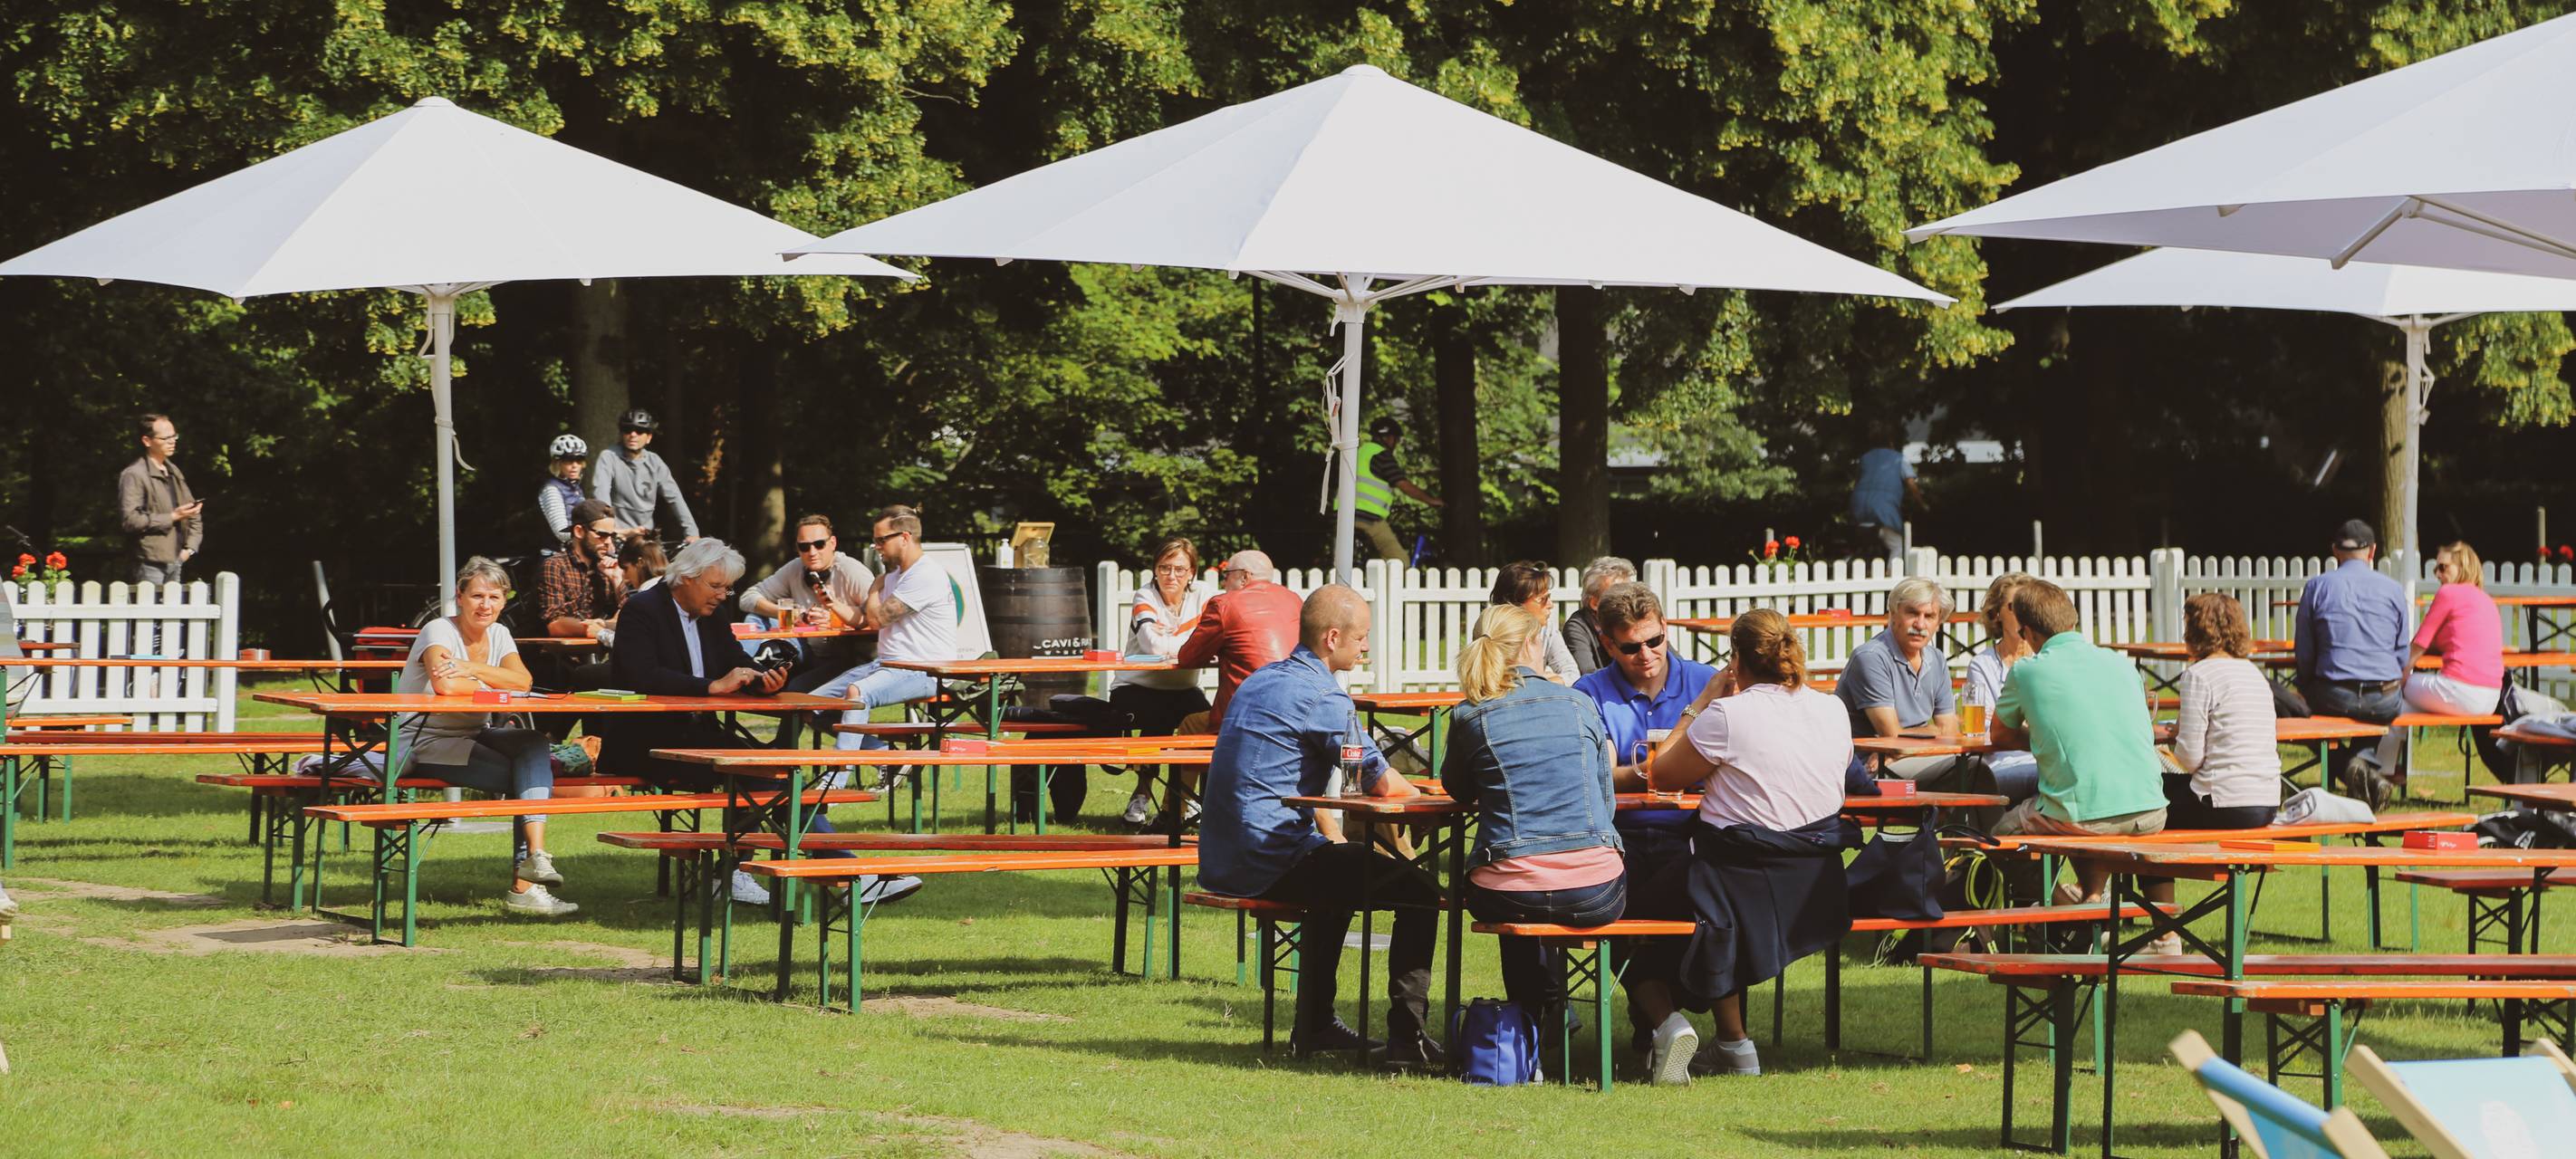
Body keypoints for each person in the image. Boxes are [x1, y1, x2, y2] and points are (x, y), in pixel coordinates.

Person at [1198, 584, 1442, 1064]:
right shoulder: (1322, 696)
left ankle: (1315, 1025)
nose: (1366, 646)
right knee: (1420, 893)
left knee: (1341, 873)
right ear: (1333, 638)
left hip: (1224, 856)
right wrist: (1427, 798)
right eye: (1361, 636)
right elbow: (1381, 784)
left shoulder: (1261, 679)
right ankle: (1406, 1039)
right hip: (1269, 856)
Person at [604, 539, 920, 908]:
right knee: (769, 779)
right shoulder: (642, 609)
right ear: (686, 578)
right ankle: (845, 876)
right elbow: (641, 675)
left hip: (695, 735)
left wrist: (762, 679)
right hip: (645, 742)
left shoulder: (709, 612)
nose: (722, 596)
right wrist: (710, 687)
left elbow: (735, 658)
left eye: (727, 588)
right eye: (716, 586)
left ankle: (747, 873)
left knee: (773, 775)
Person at [1623, 608, 1859, 1084]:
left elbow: (1660, 773)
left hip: (1738, 875)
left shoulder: (1727, 715)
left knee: (1626, 920)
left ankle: (1672, 1024)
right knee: (1704, 915)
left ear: (1736, 659)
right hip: (1814, 881)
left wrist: (1701, 703)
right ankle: (1732, 1045)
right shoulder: (1832, 707)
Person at [1447, 604, 1625, 1038]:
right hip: (1597, 889)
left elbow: (1458, 789)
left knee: (1516, 894)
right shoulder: (1580, 704)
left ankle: (1529, 1029)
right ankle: (1554, 1010)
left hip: (1508, 890)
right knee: (1541, 888)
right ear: (1532, 642)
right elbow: (1606, 804)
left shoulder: (1470, 714)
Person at [391, 557, 575, 916]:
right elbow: (446, 686)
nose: (485, 605)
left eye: (494, 597)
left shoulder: (500, 633)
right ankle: (525, 887)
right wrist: (494, 681)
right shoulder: (438, 630)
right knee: (528, 781)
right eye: (477, 596)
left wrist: (470, 669)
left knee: (534, 743)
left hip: (475, 731)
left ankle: (536, 858)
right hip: (424, 738)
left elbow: (523, 681)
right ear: (459, 597)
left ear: (504, 601)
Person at [1990, 580, 2167, 905]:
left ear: (2027, 633)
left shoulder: (2028, 671)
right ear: (2072, 620)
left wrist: (2042, 740)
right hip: (2152, 809)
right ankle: (2093, 900)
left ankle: (2066, 909)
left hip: (2084, 815)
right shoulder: (2120, 663)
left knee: (2001, 835)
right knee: (2075, 805)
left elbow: (1999, 735)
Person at [820, 506, 961, 781]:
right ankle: (887, 756)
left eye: (881, 540)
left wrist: (875, 587)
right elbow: (863, 619)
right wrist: (832, 604)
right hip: (886, 665)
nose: (876, 546)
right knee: (811, 707)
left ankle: (834, 784)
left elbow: (876, 620)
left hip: (925, 669)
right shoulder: (894, 575)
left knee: (858, 692)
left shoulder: (925, 574)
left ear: (905, 537)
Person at [2367, 541, 2504, 795]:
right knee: (2399, 708)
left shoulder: (2449, 593)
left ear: (2463, 565)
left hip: (2461, 691)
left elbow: (2419, 645)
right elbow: (2443, 641)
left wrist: (2397, 678)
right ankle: (2383, 772)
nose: (2438, 575)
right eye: (2435, 569)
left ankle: (2376, 768)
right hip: (2490, 697)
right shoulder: (2485, 600)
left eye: (2443, 567)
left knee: (2392, 693)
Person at [2294, 520, 2410, 801]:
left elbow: (2305, 653)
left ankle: (2348, 765)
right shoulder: (2394, 590)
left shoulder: (2317, 587)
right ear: (2372, 551)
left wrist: (2305, 683)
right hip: (2384, 696)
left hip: (2333, 694)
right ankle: (2362, 762)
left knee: (2292, 709)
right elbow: (2401, 654)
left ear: (2335, 551)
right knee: (2377, 709)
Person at [737, 514, 874, 739]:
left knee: (796, 691)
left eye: (819, 544)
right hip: (810, 651)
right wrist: (786, 613)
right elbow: (747, 598)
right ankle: (747, 673)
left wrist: (836, 619)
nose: (812, 552)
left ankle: (783, 750)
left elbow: (875, 616)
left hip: (848, 658)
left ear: (833, 543)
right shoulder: (795, 568)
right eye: (804, 546)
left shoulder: (851, 571)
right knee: (757, 618)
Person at [1111, 537, 1211, 827]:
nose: (1171, 575)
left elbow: (1211, 639)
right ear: (1155, 570)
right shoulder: (1145, 595)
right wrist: (1191, 642)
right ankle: (1142, 795)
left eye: (1179, 569)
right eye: (1164, 568)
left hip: (1183, 688)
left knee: (1211, 722)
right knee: (1161, 718)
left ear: (1192, 573)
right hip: (1134, 686)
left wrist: (1170, 639)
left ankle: (1191, 800)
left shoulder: (1204, 594)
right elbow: (1151, 645)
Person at [1838, 578, 1964, 784]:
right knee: (1969, 771)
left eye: (1929, 616)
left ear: (1939, 622)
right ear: (1893, 614)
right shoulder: (1871, 657)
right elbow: (1893, 738)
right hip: (1866, 767)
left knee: (1971, 770)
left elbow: (1950, 733)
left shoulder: (1937, 659)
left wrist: (1905, 750)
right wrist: (1933, 731)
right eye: (1912, 613)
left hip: (1903, 759)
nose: (1920, 624)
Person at [1175, 550, 1302, 730]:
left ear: (1244, 576)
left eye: (1226, 575)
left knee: (1190, 724)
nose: (1223, 582)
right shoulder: (1294, 600)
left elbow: (1188, 658)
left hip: (1247, 716)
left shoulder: (1223, 604)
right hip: (1296, 710)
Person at [1962, 572, 2043, 805]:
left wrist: (2017, 726)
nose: (2024, 614)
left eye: (2029, 606)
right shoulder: (1983, 665)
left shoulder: (2047, 660)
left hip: (2045, 760)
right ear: (1996, 614)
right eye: (2014, 607)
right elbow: (1988, 732)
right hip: (2004, 763)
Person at [118, 413, 204, 585]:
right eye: (165, 438)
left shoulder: (174, 471)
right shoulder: (134, 474)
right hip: (148, 565)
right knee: (149, 604)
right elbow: (130, 520)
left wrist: (189, 550)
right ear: (147, 441)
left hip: (176, 561)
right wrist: (172, 517)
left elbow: (193, 513)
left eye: (174, 436)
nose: (172, 442)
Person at [590, 408, 699, 541]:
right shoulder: (609, 457)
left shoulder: (655, 462)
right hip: (618, 535)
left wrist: (692, 532)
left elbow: (675, 498)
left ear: (649, 438)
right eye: (627, 430)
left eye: (639, 431)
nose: (633, 435)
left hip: (646, 538)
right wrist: (608, 530)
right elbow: (601, 494)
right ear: (621, 434)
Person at [1351, 417, 1443, 561]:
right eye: (1396, 439)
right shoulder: (1381, 454)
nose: (1396, 443)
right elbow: (1403, 484)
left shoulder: (1360, 452)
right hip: (1367, 517)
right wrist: (1431, 501)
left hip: (1344, 516)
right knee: (1399, 562)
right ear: (1388, 438)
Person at [1485, 560, 1579, 684]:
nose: (1551, 605)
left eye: (1549, 597)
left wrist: (1540, 681)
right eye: (1543, 599)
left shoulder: (1546, 629)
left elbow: (1573, 675)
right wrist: (1543, 680)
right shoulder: (1492, 633)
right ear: (1515, 604)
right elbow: (1491, 684)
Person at [1849, 432, 1923, 565]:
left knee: (1863, 548)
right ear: (1891, 444)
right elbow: (1911, 483)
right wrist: (1922, 503)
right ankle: (1891, 574)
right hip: (1883, 509)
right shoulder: (1899, 459)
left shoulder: (1865, 458)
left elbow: (1858, 481)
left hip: (1859, 508)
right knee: (1898, 546)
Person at [1562, 556, 1638, 675]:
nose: (1628, 601)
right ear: (1594, 603)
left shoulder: (1637, 621)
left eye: (1630, 594)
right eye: (1617, 596)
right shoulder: (1577, 628)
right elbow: (1587, 674)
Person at [538, 434, 588, 548]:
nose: (574, 465)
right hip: (555, 553)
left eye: (579, 460)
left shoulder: (575, 487)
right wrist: (593, 533)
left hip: (574, 549)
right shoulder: (551, 489)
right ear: (558, 463)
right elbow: (562, 533)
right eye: (568, 460)